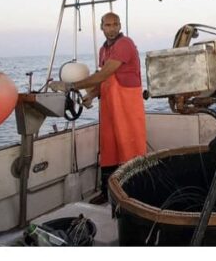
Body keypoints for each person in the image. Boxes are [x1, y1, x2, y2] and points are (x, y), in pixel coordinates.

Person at [50, 12, 146, 204]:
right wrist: (91, 95)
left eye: (115, 24)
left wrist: (68, 86)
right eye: (107, 25)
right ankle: (107, 191)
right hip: (109, 104)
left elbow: (105, 73)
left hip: (127, 104)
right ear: (101, 27)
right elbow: (105, 80)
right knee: (108, 146)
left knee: (130, 145)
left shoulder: (125, 44)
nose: (111, 29)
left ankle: (136, 195)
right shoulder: (103, 50)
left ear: (120, 26)